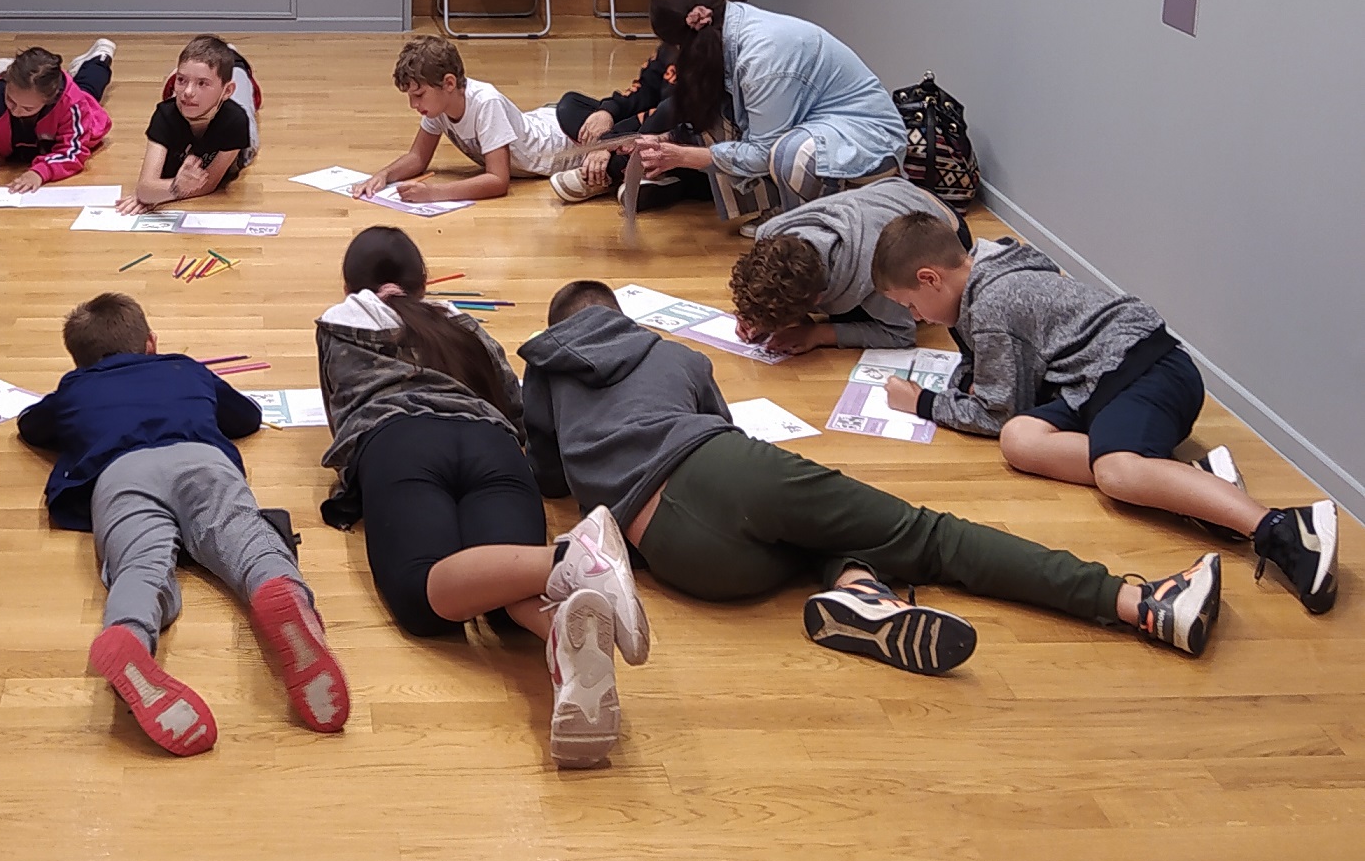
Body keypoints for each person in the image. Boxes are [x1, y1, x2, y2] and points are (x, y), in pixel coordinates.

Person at [521, 281, 1228, 667]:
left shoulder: (544, 375)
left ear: (559, 333)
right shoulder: (675, 356)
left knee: (813, 541)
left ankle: (862, 595)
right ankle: (1139, 601)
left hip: (681, 560)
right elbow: (729, 439)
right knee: (932, 537)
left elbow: (553, 483)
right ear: (619, 318)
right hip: (721, 471)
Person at [871, 210, 1337, 613]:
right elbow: (1007, 406)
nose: (915, 317)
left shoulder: (993, 302)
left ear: (931, 279)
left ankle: (1284, 528)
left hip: (1145, 370)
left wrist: (924, 403)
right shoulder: (987, 280)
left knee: (1116, 472)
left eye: (911, 305)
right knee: (1021, 440)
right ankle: (1191, 482)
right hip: (1097, 383)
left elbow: (995, 409)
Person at [316, 225, 648, 767]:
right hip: (493, 445)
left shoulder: (338, 324)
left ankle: (573, 557)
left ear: (351, 286)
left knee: (425, 600)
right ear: (422, 282)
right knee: (502, 595)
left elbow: (339, 416)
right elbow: (514, 404)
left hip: (401, 442)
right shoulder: (463, 323)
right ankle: (562, 632)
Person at [16, 291, 348, 755]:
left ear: (78, 361)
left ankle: (128, 634)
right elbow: (246, 417)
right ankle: (281, 592)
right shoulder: (183, 368)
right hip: (200, 459)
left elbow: (31, 426)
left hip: (121, 472)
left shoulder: (75, 387)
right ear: (150, 342)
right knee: (246, 539)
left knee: (139, 566)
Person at [632, 0, 907, 223]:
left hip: (869, 143)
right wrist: (669, 139)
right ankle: (782, 209)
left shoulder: (763, 57)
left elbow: (763, 153)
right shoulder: (731, 26)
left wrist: (682, 157)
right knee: (708, 107)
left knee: (793, 154)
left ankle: (815, 233)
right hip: (821, 128)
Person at [549, 0, 750, 206]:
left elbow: (678, 119)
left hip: (689, 147)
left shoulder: (726, 60)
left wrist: (608, 144)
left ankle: (608, 171)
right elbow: (642, 92)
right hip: (649, 131)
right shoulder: (670, 46)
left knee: (670, 108)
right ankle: (646, 177)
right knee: (570, 106)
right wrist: (607, 112)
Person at [728, 175, 972, 353]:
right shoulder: (771, 232)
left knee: (848, 318)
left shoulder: (875, 274)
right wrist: (755, 315)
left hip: (942, 224)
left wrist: (818, 334)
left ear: (816, 301)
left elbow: (900, 333)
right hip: (887, 200)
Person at [354, 34, 567, 206]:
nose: (413, 105)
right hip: (540, 120)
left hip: (566, 142)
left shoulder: (486, 102)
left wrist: (434, 193)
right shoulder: (438, 107)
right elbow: (418, 157)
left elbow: (498, 181)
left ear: (448, 83)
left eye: (418, 95)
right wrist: (384, 175)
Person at [0, 41, 115, 195]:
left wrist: (39, 173)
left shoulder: (71, 104)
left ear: (50, 99)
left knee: (88, 88)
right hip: (28, 145)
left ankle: (99, 57)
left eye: (27, 108)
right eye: (10, 100)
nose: (16, 111)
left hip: (83, 111)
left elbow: (72, 152)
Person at [122, 35, 257, 211]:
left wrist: (165, 192)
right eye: (181, 80)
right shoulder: (165, 115)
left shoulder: (235, 120)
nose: (188, 92)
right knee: (186, 96)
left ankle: (235, 60)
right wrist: (172, 188)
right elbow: (144, 189)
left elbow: (209, 184)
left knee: (245, 103)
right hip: (196, 105)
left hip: (229, 110)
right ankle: (198, 69)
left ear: (227, 91)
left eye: (202, 83)